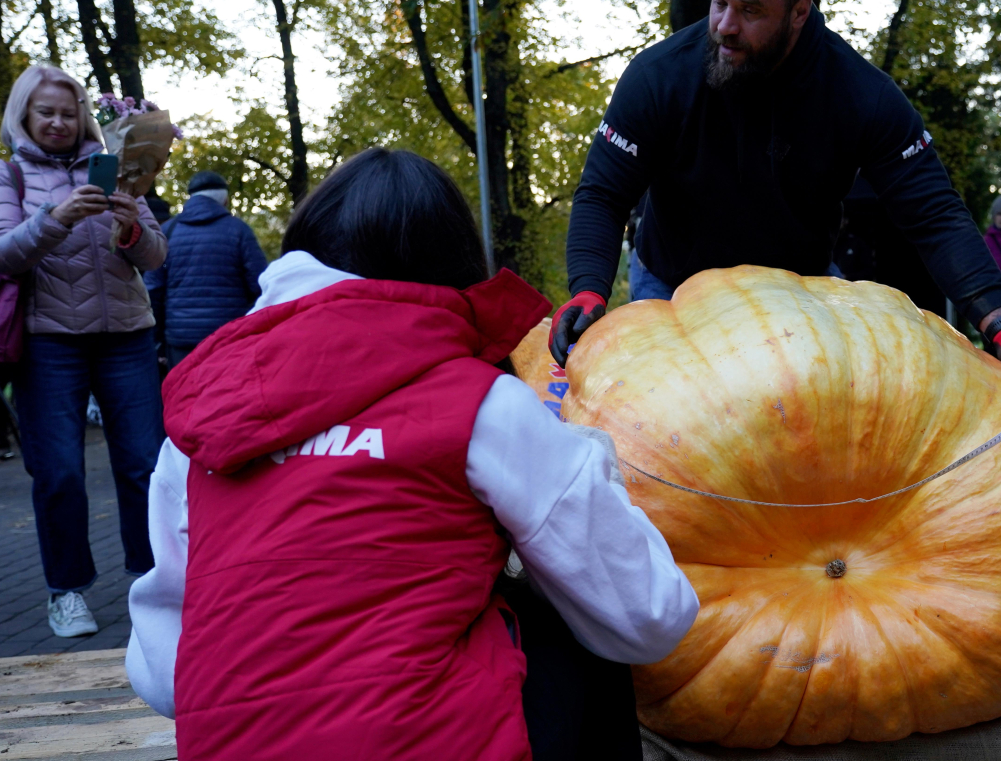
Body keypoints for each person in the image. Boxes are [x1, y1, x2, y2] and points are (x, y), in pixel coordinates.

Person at [126, 148, 698, 760]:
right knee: (572, 611)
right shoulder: (482, 404)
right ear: (453, 267)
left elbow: (162, 674)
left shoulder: (201, 426)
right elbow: (650, 619)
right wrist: (591, 468)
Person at [553, 0, 1001, 393]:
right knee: (675, 423)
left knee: (816, 421)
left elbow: (935, 215)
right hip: (672, 281)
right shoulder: (658, 77)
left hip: (799, 288)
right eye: (717, 0)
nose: (724, 25)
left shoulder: (861, 95)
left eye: (749, 9)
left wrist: (1000, 321)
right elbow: (603, 193)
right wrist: (589, 287)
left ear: (799, 10)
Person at [0, 64, 166, 637]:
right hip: (50, 343)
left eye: (68, 113)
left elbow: (155, 257)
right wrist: (54, 219)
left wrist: (132, 231)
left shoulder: (118, 163)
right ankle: (65, 591)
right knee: (61, 471)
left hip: (126, 336)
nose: (58, 122)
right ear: (24, 114)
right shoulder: (10, 176)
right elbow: (3, 254)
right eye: (46, 111)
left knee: (145, 465)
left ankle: (155, 581)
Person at [144, 171, 267, 368]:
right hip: (229, 337)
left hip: (181, 339)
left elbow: (153, 289)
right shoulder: (239, 230)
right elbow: (260, 285)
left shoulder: (169, 231)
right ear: (225, 200)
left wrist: (156, 339)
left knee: (183, 395)